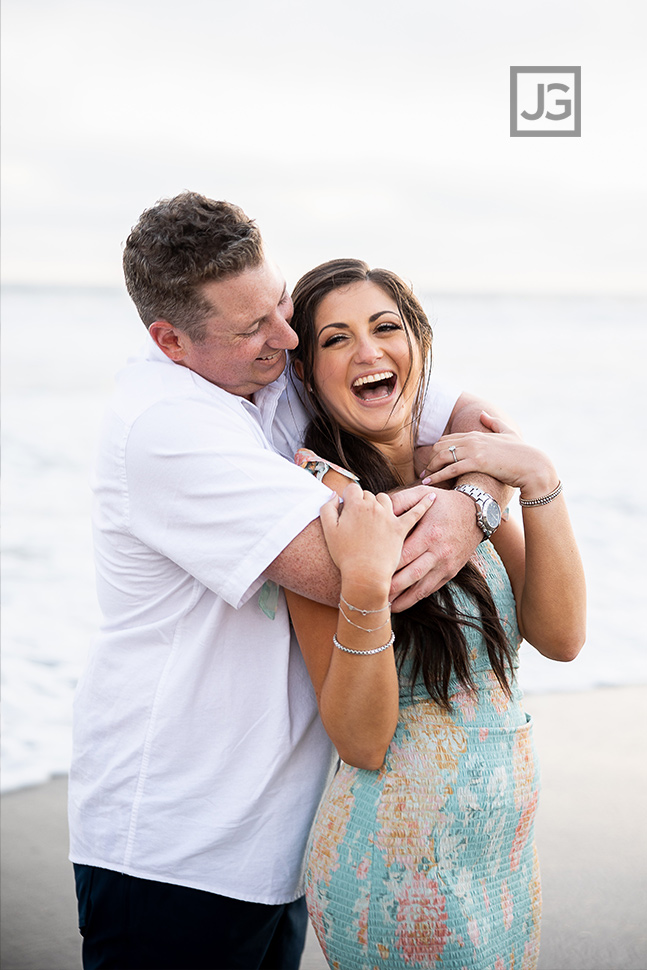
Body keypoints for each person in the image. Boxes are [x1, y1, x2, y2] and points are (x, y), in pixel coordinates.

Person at [68, 193, 516, 970]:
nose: (285, 336)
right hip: (179, 848)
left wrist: (478, 489)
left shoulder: (263, 367)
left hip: (281, 838)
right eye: (254, 329)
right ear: (170, 341)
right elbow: (369, 570)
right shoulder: (169, 431)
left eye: (279, 304)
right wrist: (478, 504)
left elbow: (464, 419)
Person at [284, 259, 586, 969]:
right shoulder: (322, 508)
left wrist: (538, 478)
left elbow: (560, 635)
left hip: (503, 856)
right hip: (396, 863)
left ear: (418, 343)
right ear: (306, 374)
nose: (367, 351)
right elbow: (360, 741)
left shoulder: (460, 485)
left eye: (385, 327)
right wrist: (362, 580)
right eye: (334, 339)